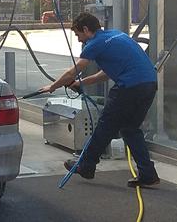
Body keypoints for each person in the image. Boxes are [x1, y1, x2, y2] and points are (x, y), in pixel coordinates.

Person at [38, 12, 159, 187]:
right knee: (130, 129)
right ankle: (148, 173)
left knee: (104, 126)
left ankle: (86, 165)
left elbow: (74, 71)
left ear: (86, 30)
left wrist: (52, 86)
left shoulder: (93, 44)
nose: (79, 40)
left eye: (78, 35)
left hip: (129, 87)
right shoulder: (117, 35)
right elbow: (107, 72)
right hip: (148, 85)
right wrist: (82, 83)